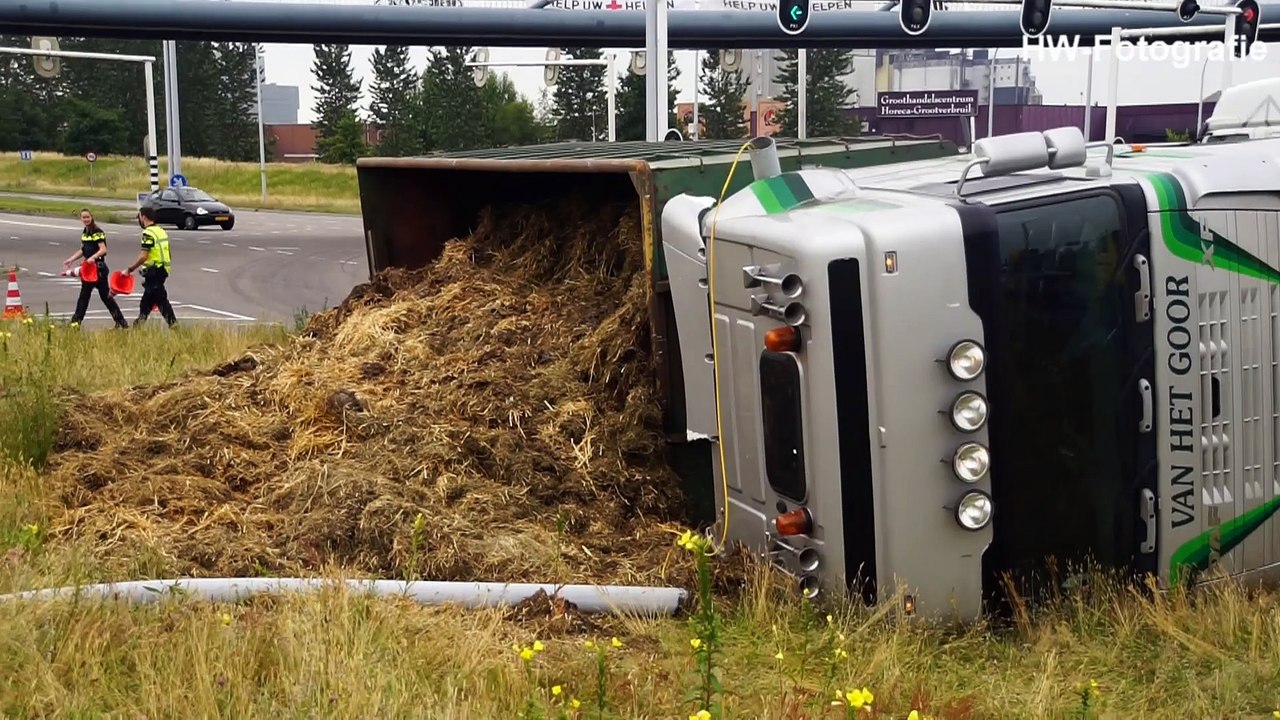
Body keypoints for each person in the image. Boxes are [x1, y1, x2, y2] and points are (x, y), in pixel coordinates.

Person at [61, 209, 129, 329]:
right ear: (80, 219)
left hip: (98, 269)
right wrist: (71, 259)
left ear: (92, 217)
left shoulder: (97, 231)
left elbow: (103, 249)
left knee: (96, 297)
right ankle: (121, 322)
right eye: (83, 217)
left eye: (88, 217)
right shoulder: (85, 232)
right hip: (89, 270)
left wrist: (93, 258)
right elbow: (83, 250)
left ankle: (76, 323)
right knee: (90, 297)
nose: (86, 219)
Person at [125, 206, 177, 327]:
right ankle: (138, 325)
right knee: (147, 301)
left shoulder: (147, 233)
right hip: (163, 269)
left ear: (143, 217)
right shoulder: (161, 231)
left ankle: (174, 325)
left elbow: (143, 255)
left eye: (139, 217)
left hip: (154, 271)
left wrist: (130, 269)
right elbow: (168, 252)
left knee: (161, 300)